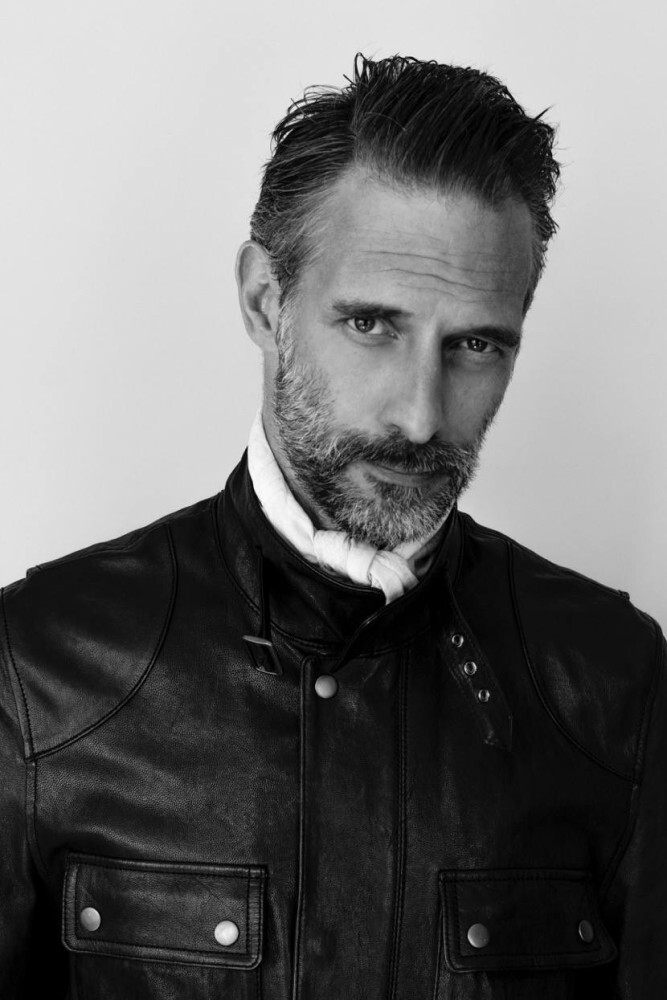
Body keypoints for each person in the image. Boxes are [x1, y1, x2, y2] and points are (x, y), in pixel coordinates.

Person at [0, 54, 664, 999]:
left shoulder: (614, 681)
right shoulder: (39, 667)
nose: (421, 417)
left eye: (475, 344)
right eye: (372, 326)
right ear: (265, 302)